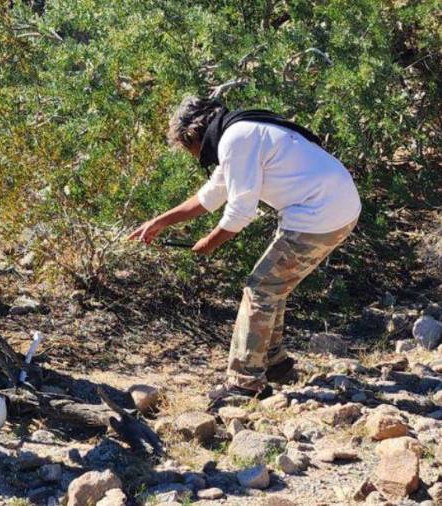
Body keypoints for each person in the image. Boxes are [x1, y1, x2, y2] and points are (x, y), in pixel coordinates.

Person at [128, 96, 361, 403]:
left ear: (192, 136)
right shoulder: (239, 132)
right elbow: (211, 195)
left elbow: (240, 211)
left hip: (319, 213)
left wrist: (209, 243)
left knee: (260, 289)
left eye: (187, 149)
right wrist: (159, 222)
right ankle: (274, 362)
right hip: (333, 208)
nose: (193, 156)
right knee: (272, 287)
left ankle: (244, 382)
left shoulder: (236, 139)